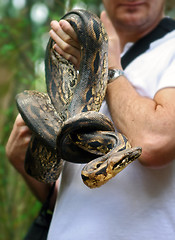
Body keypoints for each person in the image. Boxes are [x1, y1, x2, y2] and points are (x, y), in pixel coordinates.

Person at [6, 0, 175, 239]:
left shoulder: (169, 49)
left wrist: (107, 64)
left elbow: (154, 141)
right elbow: (76, 196)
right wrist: (26, 166)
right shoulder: (76, 56)